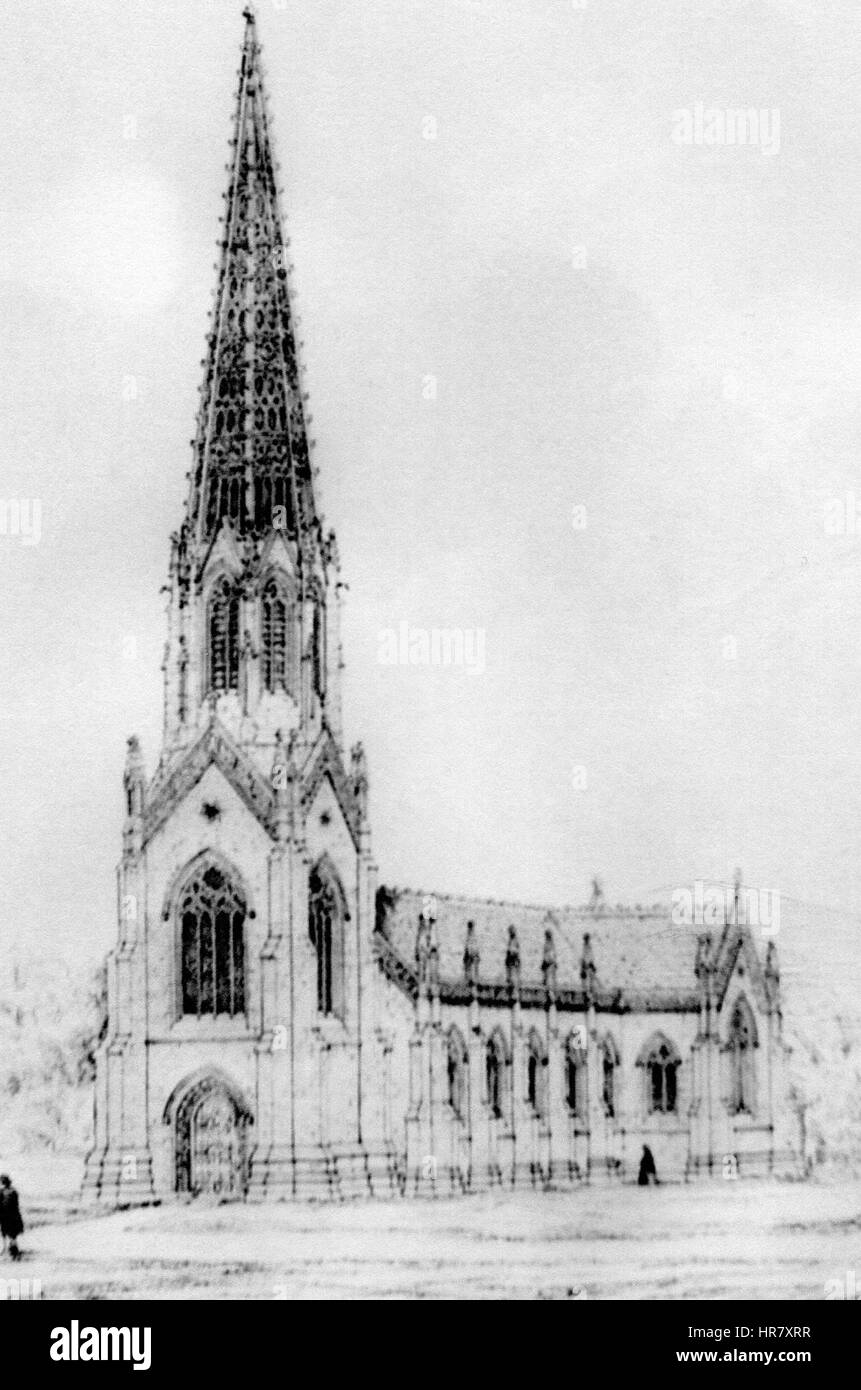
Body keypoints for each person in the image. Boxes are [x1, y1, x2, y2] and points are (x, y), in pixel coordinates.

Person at [0, 1175, 24, 1260]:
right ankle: (12, 1247)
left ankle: (7, 1248)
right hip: (13, 1214)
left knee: (5, 1232)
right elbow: (16, 1204)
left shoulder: (2, 1191)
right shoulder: (14, 1191)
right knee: (12, 1233)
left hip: (5, 1215)